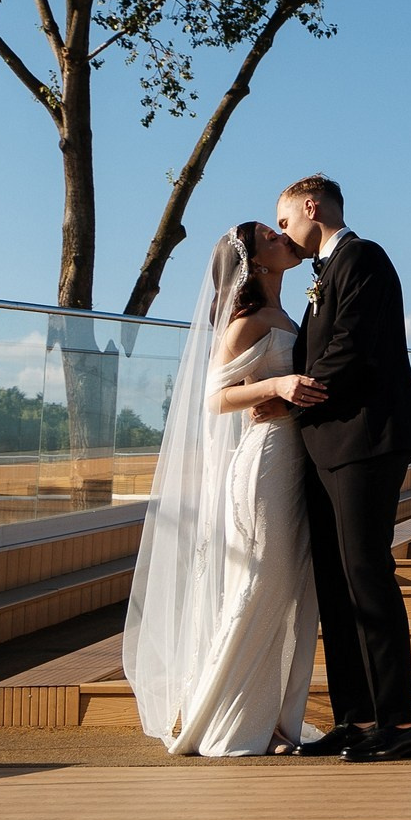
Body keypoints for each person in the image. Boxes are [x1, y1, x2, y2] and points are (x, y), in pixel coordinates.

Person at [121, 221, 325, 757]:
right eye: (270, 237)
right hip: (266, 465)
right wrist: (278, 385)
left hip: (301, 463)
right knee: (260, 586)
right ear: (255, 263)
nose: (284, 240)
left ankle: (275, 719)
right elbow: (215, 398)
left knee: (289, 595)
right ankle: (226, 720)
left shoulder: (289, 314)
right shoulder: (246, 322)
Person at [275, 174, 411, 763]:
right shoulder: (323, 274)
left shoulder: (363, 257)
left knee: (367, 576)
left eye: (286, 220)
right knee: (336, 583)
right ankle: (356, 716)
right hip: (326, 444)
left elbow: (351, 344)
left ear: (312, 207)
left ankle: (399, 722)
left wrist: (292, 394)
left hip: (367, 439)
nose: (284, 232)